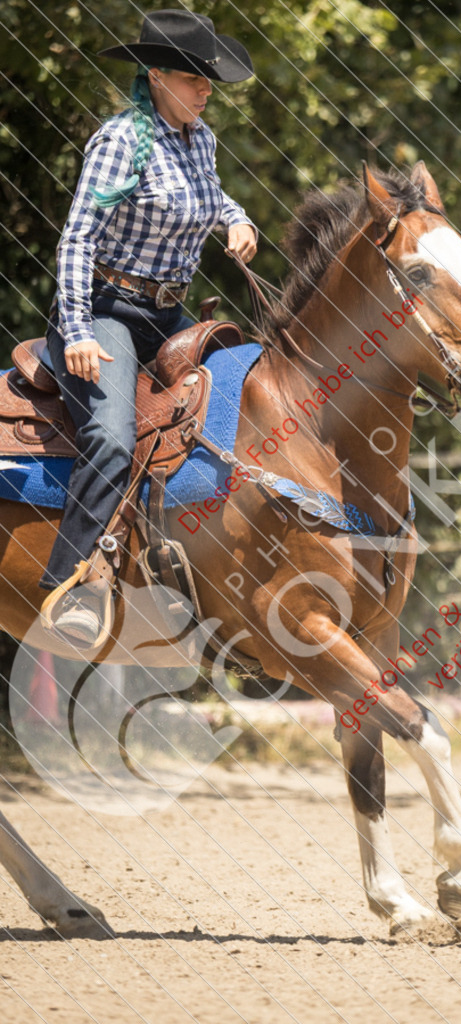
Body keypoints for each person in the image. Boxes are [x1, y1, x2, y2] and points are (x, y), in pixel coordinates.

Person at [39, 9, 258, 645]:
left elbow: (210, 196)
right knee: (111, 437)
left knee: (246, 396)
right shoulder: (120, 141)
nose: (206, 89)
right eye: (193, 78)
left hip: (167, 315)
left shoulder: (200, 139)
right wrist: (77, 330)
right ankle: (74, 583)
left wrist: (236, 218)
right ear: (156, 77)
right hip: (106, 310)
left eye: (209, 79)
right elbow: (77, 238)